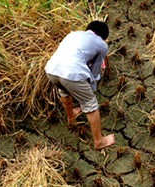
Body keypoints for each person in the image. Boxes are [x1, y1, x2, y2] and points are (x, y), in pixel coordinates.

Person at [45, 21, 115, 149]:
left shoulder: (73, 34)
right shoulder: (101, 44)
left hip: (51, 70)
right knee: (90, 103)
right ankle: (99, 141)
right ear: (103, 36)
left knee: (64, 91)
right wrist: (91, 89)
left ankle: (71, 118)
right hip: (72, 72)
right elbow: (95, 69)